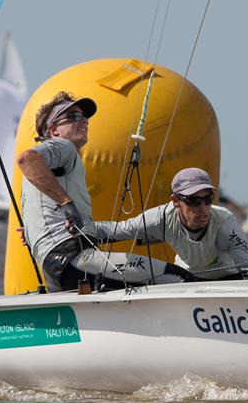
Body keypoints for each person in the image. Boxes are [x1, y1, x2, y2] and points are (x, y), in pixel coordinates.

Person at [17, 91, 187, 292]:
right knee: (179, 277)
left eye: (84, 117)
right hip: (73, 258)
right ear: (53, 130)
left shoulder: (49, 173)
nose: (83, 122)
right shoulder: (64, 147)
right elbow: (26, 159)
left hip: (58, 267)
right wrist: (66, 202)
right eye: (72, 117)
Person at [95, 167, 248, 281]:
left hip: (228, 281)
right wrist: (81, 228)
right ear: (176, 201)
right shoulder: (160, 218)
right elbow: (120, 229)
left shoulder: (225, 224)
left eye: (207, 199)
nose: (203, 208)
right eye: (194, 201)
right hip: (187, 280)